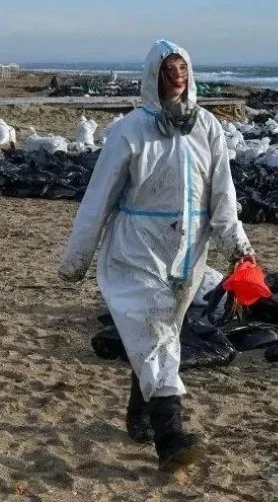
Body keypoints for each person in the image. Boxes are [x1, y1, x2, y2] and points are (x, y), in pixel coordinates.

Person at [58, 39, 255, 472]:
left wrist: (239, 248)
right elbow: (99, 197)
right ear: (153, 75)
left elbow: (223, 195)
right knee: (156, 332)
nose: (177, 75)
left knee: (161, 333)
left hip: (188, 253)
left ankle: (138, 414)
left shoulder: (207, 127)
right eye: (168, 68)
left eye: (182, 67)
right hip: (137, 249)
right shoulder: (129, 131)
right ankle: (171, 439)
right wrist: (76, 259)